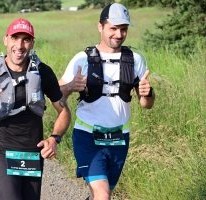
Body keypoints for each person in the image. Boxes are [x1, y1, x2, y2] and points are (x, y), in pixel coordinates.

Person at [0, 18, 71, 200]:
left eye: (25, 39)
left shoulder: (43, 72)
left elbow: (64, 111)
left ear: (32, 43)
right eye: (15, 38)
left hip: (33, 155)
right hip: (2, 153)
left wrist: (54, 139)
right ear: (6, 40)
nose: (19, 45)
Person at [58, 3, 156, 200]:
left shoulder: (135, 59)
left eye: (123, 29)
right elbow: (57, 96)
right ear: (100, 27)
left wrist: (148, 92)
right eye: (113, 28)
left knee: (103, 194)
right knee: (103, 195)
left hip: (120, 138)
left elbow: (146, 104)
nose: (119, 34)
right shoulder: (82, 59)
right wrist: (69, 87)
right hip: (87, 137)